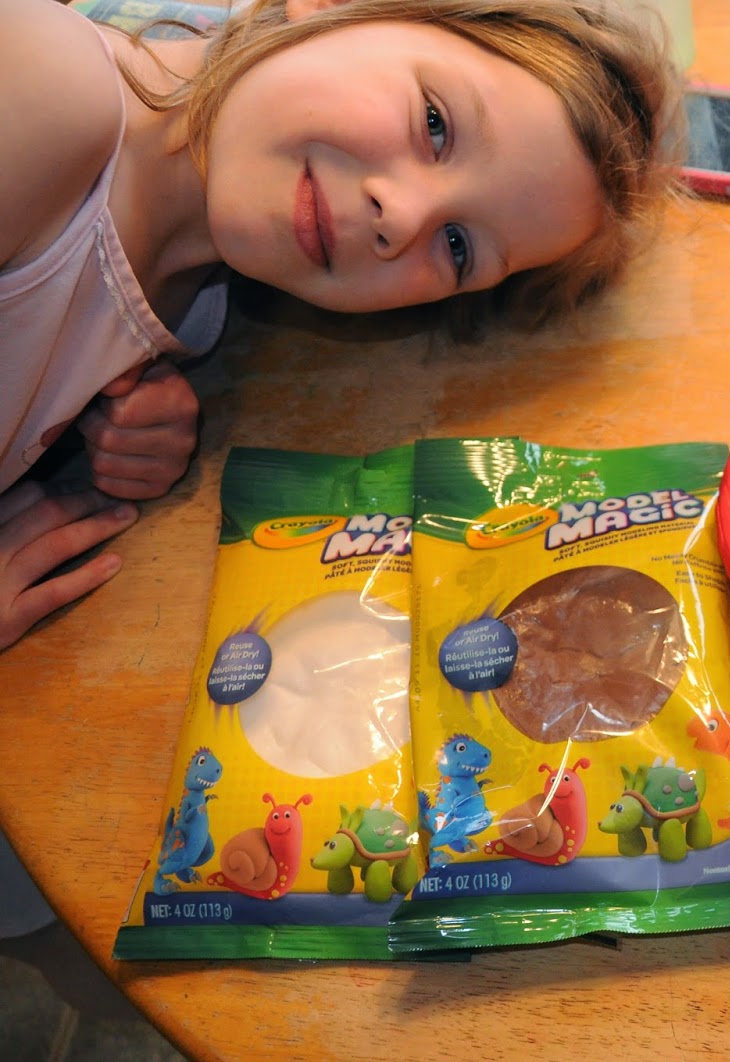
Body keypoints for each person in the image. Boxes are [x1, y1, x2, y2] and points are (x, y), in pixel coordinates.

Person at [0, 0, 684, 652]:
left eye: (456, 247)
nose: (404, 217)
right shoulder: (47, 91)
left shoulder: (196, 302)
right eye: (436, 124)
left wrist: (104, 412)